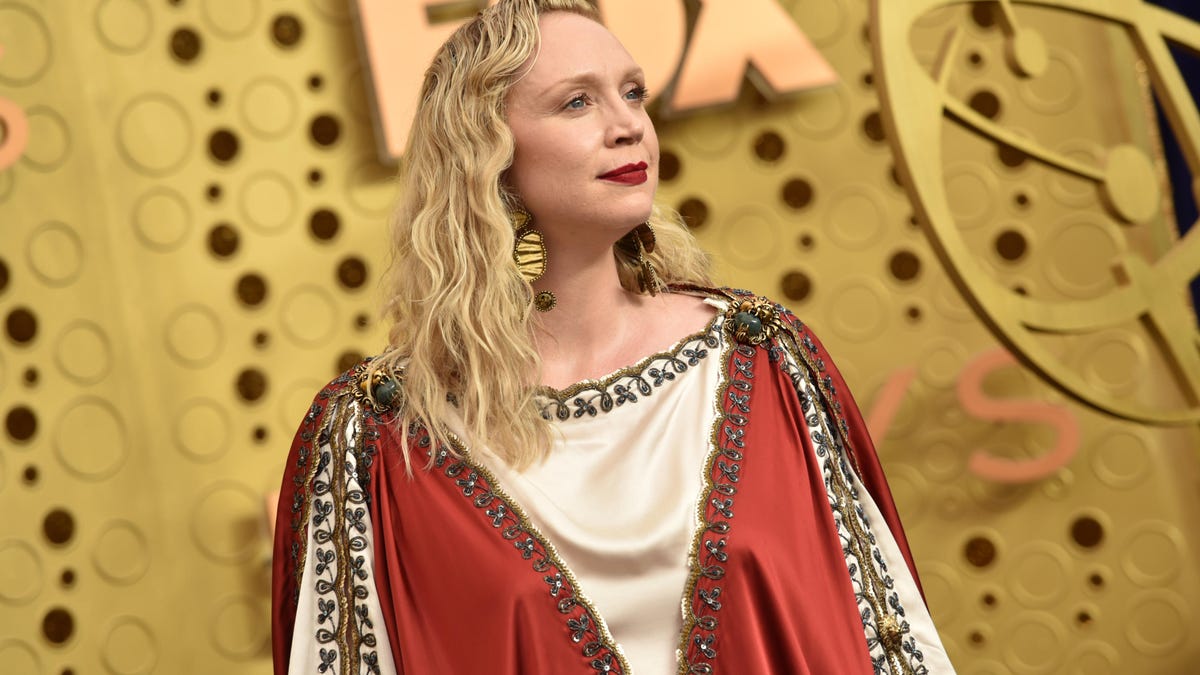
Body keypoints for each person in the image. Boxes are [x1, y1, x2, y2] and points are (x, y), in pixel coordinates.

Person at [271, 1, 955, 673]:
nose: (628, 125)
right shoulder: (381, 435)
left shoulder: (762, 355)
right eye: (577, 103)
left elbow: (891, 643)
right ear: (491, 154)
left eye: (633, 93)